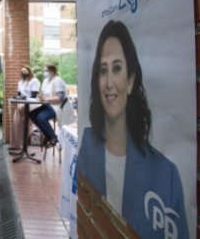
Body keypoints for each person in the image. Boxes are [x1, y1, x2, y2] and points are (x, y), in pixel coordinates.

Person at [77, 20, 187, 238]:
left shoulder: (166, 175)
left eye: (117, 68)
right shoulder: (88, 145)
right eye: (102, 70)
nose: (109, 82)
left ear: (130, 80)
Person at [28, 63, 65, 147]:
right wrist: (40, 96)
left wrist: (46, 99)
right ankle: (47, 135)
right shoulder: (45, 81)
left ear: (52, 71)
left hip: (57, 107)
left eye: (46, 70)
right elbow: (42, 93)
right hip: (47, 105)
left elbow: (60, 98)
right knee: (31, 114)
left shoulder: (58, 80)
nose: (44, 72)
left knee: (41, 117)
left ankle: (53, 137)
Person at [10, 66, 40, 150]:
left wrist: (23, 102)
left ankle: (22, 144)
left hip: (30, 105)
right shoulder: (20, 82)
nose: (23, 73)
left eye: (25, 71)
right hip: (21, 105)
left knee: (24, 124)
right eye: (22, 71)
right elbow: (19, 94)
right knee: (17, 123)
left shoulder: (35, 81)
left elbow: (33, 96)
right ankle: (16, 144)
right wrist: (16, 98)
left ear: (29, 71)